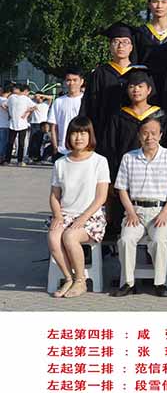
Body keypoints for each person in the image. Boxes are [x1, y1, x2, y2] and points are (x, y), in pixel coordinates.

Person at [112, 116, 167, 297]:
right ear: (139, 136)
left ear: (160, 135)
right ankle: (128, 283)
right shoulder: (129, 158)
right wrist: (130, 212)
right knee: (125, 240)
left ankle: (160, 283)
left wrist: (165, 212)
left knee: (159, 241)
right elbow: (122, 189)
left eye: (153, 133)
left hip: (160, 211)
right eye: (145, 133)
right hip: (135, 211)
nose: (149, 137)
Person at [46, 116, 110, 298]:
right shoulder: (60, 163)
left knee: (70, 236)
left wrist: (83, 218)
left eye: (83, 133)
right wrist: (57, 215)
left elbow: (101, 197)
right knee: (53, 237)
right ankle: (68, 278)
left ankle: (81, 281)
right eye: (74, 133)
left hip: (91, 217)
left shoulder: (99, 161)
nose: (79, 138)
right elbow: (54, 195)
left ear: (90, 136)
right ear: (68, 136)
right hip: (65, 214)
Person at [100, 67, 167, 182]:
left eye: (140, 86)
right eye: (131, 86)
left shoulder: (160, 116)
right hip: (126, 172)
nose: (136, 90)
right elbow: (110, 147)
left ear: (149, 90)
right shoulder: (119, 117)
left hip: (156, 172)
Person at [80, 22, 139, 134]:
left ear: (131, 47)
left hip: (133, 132)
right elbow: (89, 105)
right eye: (116, 42)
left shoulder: (140, 73)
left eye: (125, 42)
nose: (120, 46)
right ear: (110, 46)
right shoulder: (99, 74)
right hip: (104, 131)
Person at [48, 68, 84, 161]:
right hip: (62, 149)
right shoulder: (58, 101)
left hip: (83, 149)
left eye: (75, 80)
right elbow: (53, 126)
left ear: (81, 81)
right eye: (68, 80)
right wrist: (55, 147)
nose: (71, 83)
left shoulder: (87, 101)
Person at [4, 84, 37, 166]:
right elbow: (4, 105)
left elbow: (34, 107)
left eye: (15, 88)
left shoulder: (25, 98)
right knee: (10, 143)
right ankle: (8, 160)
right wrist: (10, 113)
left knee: (21, 143)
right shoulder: (11, 97)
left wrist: (26, 112)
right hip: (13, 123)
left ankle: (19, 160)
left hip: (22, 124)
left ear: (20, 89)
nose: (14, 89)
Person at [28, 93, 53, 163]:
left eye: (39, 97)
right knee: (32, 141)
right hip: (34, 123)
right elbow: (27, 97)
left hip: (42, 124)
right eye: (37, 97)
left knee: (40, 141)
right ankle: (32, 156)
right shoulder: (33, 103)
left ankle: (39, 156)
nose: (38, 98)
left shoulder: (46, 104)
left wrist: (41, 95)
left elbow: (51, 97)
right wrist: (35, 96)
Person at [0, 83, 11, 165]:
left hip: (3, 124)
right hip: (4, 124)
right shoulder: (6, 101)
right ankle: (1, 158)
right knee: (3, 142)